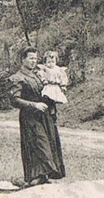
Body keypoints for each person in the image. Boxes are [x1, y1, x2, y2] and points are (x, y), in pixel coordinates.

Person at [9, 46, 65, 187]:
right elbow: (14, 100)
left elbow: (48, 91)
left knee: (48, 142)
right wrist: (34, 105)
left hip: (44, 115)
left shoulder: (39, 74)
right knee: (38, 144)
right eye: (31, 58)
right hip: (30, 117)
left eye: (35, 58)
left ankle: (44, 175)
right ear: (23, 59)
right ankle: (34, 176)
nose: (34, 61)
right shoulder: (18, 77)